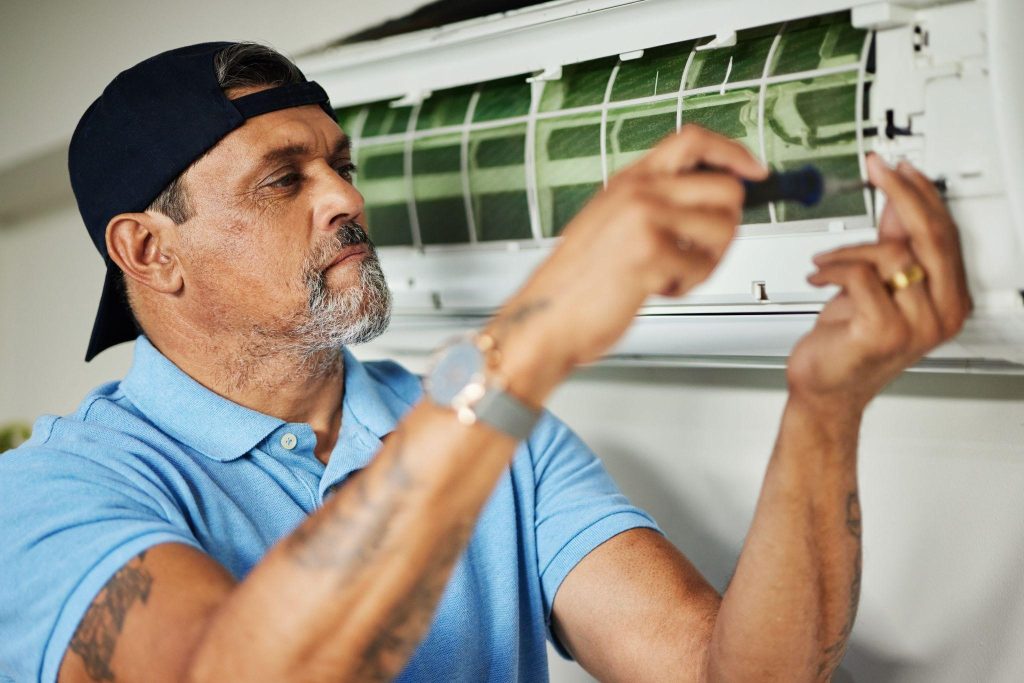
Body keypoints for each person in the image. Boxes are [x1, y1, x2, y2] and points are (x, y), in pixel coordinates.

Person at [0, 42, 970, 683]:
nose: (345, 198)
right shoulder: (50, 492)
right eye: (284, 179)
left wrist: (826, 404)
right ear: (148, 250)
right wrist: (533, 336)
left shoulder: (505, 434)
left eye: (340, 164)